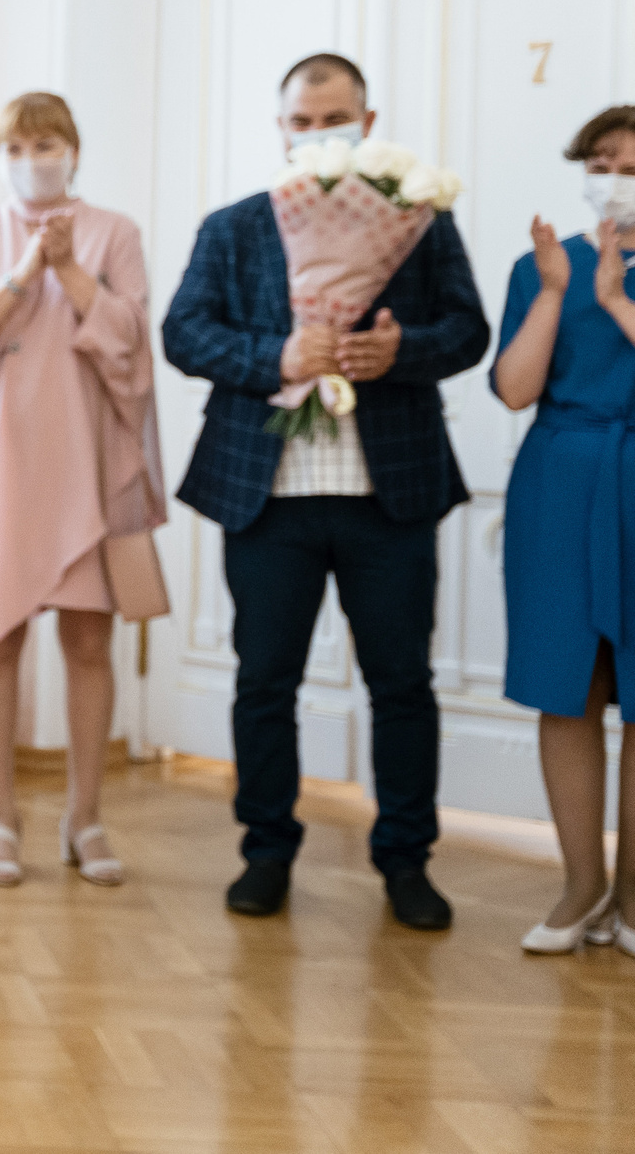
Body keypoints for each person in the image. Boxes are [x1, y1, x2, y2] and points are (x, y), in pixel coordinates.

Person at [162, 52, 490, 931]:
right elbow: (184, 333)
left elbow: (467, 329)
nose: (318, 135)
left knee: (402, 684)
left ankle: (406, 860)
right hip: (265, 497)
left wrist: (401, 351)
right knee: (264, 681)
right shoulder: (234, 226)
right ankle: (266, 852)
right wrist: (274, 357)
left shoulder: (419, 223)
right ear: (280, 130)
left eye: (335, 119)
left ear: (368, 124)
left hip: (391, 494)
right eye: (302, 122)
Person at [0, 93, 163, 889]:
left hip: (87, 449)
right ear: (0, 154)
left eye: (49, 141)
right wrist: (25, 271)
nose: (36, 156)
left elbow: (131, 335)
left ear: (74, 148)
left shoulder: (115, 232)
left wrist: (68, 267)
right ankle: (0, 815)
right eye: (20, 144)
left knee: (90, 642)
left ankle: (85, 814)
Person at [490, 105, 635, 956]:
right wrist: (556, 292)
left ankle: (633, 894)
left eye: (631, 162)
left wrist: (616, 301)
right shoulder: (540, 266)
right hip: (562, 479)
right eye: (603, 160)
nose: (614, 176)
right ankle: (581, 884)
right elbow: (514, 388)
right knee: (566, 684)